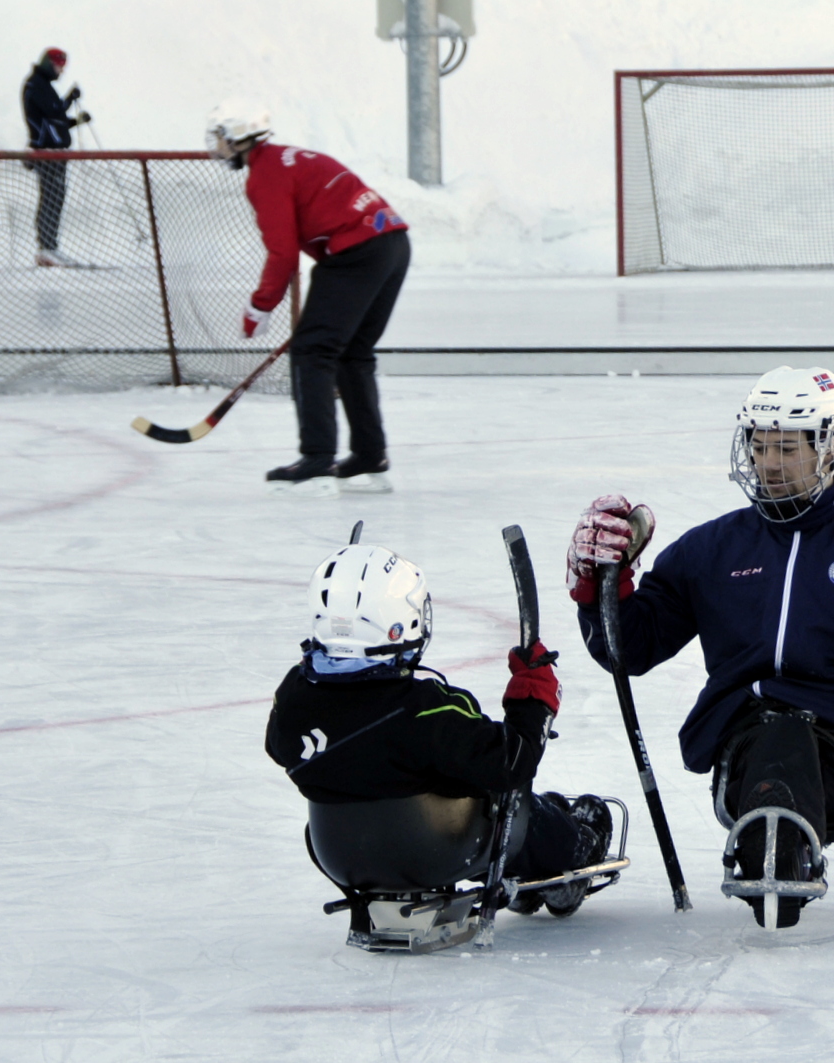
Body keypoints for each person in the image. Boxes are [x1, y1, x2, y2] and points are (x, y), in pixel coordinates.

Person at [566, 366, 834, 928]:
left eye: (787, 447)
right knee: (772, 734)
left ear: (831, 447)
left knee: (792, 735)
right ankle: (772, 847)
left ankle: (780, 849)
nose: (769, 463)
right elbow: (628, 652)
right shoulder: (711, 549)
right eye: (759, 446)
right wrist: (600, 591)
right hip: (740, 743)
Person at [265, 540, 612, 917]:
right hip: (432, 852)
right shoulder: (424, 709)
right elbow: (512, 762)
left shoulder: (294, 697)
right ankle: (571, 857)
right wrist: (534, 700)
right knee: (508, 799)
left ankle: (529, 865)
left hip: (342, 857)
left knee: (455, 778)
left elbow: (280, 748)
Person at [206, 103, 410, 496]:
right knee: (352, 351)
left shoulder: (265, 173)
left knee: (313, 350)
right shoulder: (287, 158)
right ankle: (370, 453)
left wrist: (260, 306)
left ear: (237, 136)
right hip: (392, 244)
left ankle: (317, 457)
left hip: (358, 251)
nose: (217, 146)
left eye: (219, 137)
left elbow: (282, 251)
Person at [20, 47, 90, 267]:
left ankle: (50, 247)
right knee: (51, 198)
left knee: (55, 198)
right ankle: (46, 248)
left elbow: (55, 120)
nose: (61, 71)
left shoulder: (44, 86)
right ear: (49, 64)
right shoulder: (36, 84)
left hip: (56, 153)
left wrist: (76, 122)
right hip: (46, 153)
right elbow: (54, 111)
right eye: (59, 66)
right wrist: (70, 97)